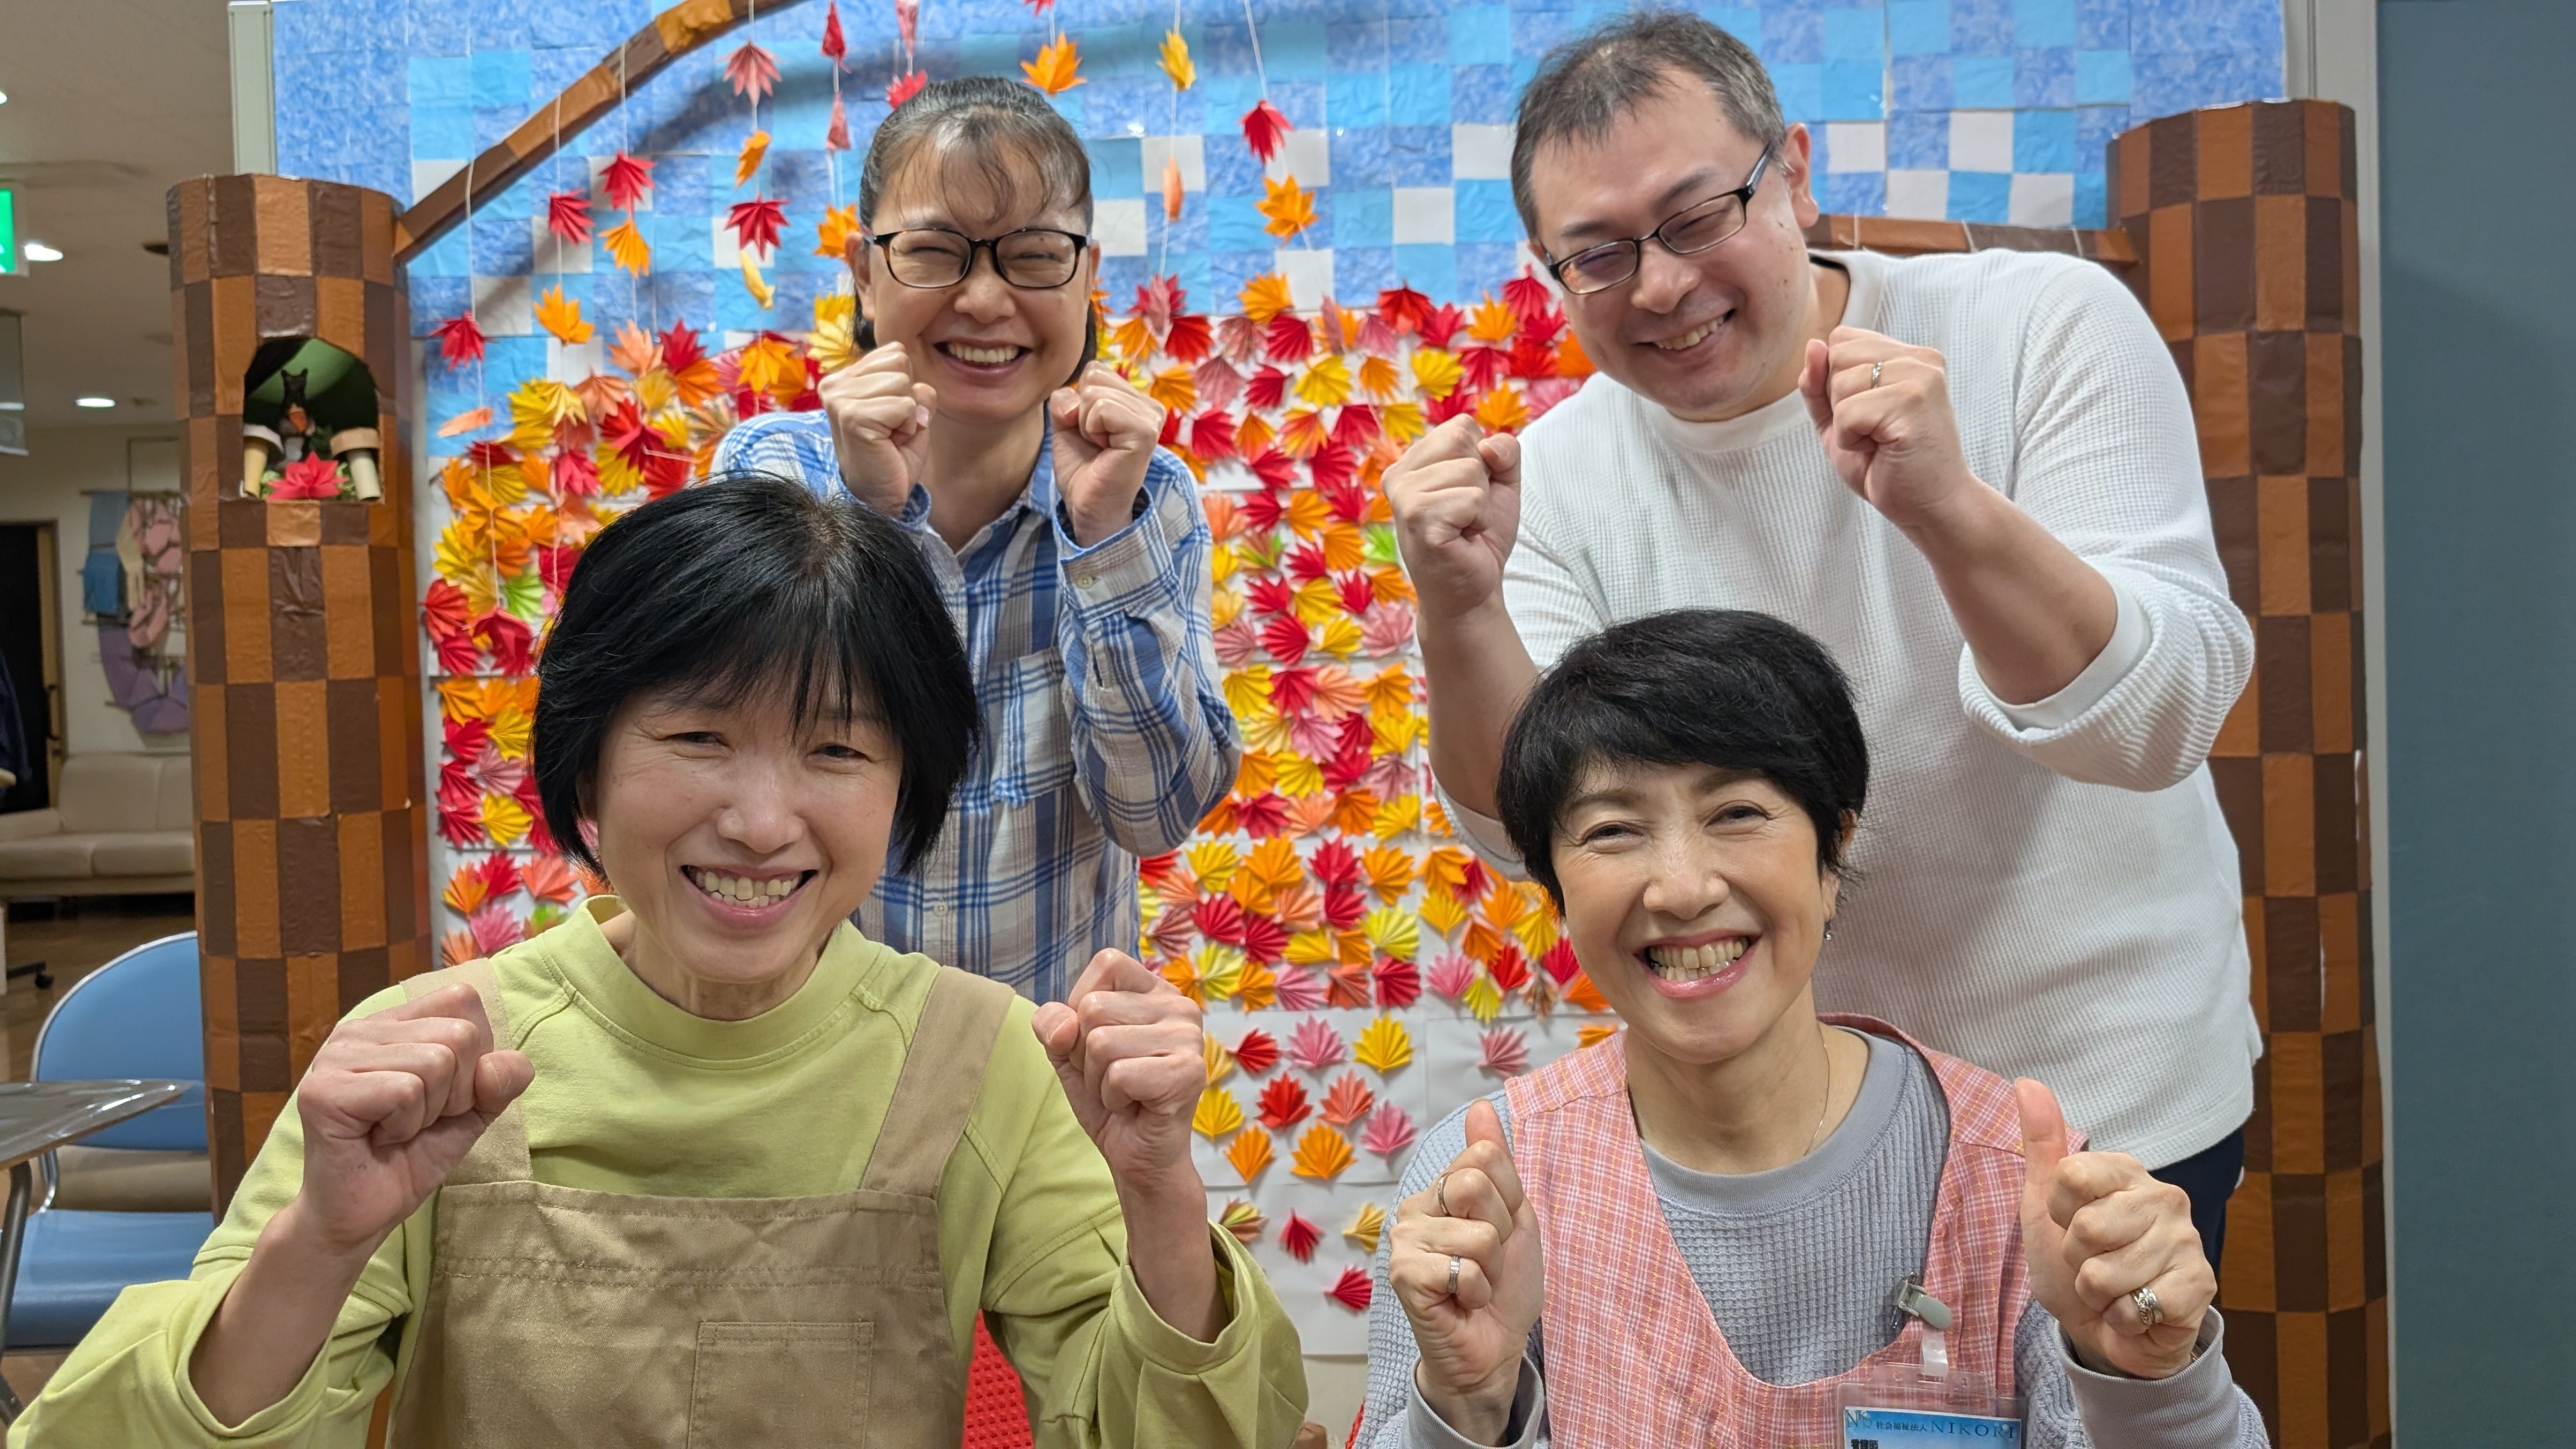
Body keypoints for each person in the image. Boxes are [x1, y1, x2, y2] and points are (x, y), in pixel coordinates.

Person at [13, 477, 1305, 1447]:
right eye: (697, 738)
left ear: (906, 793)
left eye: (838, 751)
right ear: (586, 769)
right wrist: (320, 1242)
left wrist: (1161, 1196)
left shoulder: (985, 1058)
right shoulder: (436, 1052)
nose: (760, 821)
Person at [1383, 11, 2258, 1257]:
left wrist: (1949, 510)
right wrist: (1458, 610)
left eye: (1699, 218)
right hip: (1792, 1129)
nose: (1663, 286)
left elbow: (2158, 721)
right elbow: (1535, 826)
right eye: (1600, 255)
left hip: (2100, 1093)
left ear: (1792, 172)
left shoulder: (2039, 328)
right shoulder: (1560, 475)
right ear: (1548, 267)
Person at [1358, 609, 2265, 1448]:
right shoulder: (1487, 1188)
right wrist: (1466, 1405)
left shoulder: (2014, 1186)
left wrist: (2148, 1381)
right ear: (1557, 886)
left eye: (1737, 814)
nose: (1682, 888)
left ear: (1834, 853)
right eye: (1613, 831)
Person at [717, 77, 1236, 1004]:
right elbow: (743, 781)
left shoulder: (1147, 497)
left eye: (1035, 255)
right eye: (934, 253)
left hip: (1045, 1058)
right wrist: (869, 525)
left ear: (1087, 274)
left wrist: (1102, 542)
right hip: (807, 1051)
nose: (987, 300)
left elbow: (1155, 813)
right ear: (864, 271)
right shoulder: (770, 472)